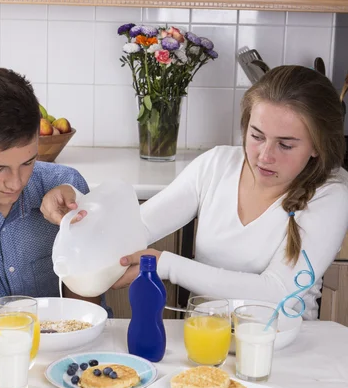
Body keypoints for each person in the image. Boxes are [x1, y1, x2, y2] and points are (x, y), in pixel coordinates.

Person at [112, 65, 348, 320]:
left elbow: (278, 292)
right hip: (206, 339)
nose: (265, 156)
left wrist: (167, 265)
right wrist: (77, 212)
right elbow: (137, 226)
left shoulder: (330, 195)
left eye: (285, 145)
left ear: (317, 146)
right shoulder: (217, 165)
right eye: (257, 136)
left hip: (284, 347)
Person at [0, 66, 91, 314]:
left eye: (28, 162)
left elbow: (86, 315)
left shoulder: (68, 188)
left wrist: (74, 228)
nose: (16, 182)